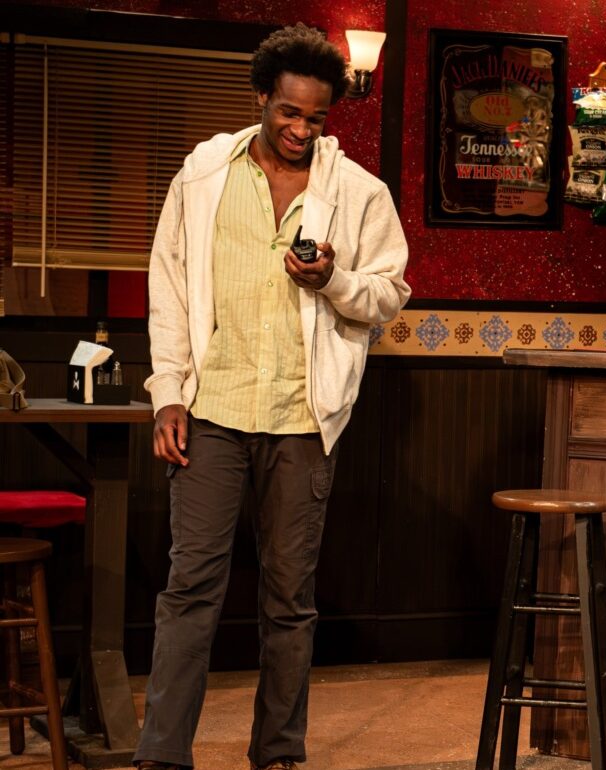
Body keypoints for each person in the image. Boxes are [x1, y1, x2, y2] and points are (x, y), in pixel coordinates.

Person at [136, 23, 410, 770]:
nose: (300, 130)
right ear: (262, 98)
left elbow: (389, 294)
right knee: (190, 588)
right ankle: (161, 755)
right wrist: (167, 394)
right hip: (211, 412)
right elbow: (167, 286)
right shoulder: (202, 174)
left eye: (316, 119)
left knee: (289, 600)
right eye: (288, 113)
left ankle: (279, 753)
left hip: (300, 419)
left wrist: (333, 282)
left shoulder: (358, 193)